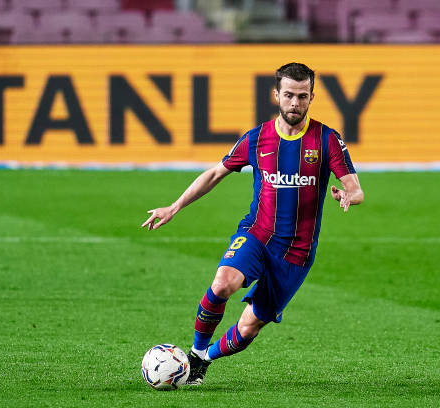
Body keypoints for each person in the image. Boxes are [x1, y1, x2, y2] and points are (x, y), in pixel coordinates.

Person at [141, 62, 364, 385]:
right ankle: (195, 351)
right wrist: (175, 206)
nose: (295, 103)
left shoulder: (327, 140)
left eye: (303, 96)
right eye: (288, 95)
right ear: (276, 95)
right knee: (222, 284)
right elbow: (216, 173)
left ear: (312, 97)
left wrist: (348, 195)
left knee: (248, 327)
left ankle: (205, 360)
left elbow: (356, 188)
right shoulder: (257, 138)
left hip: (295, 253)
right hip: (257, 234)